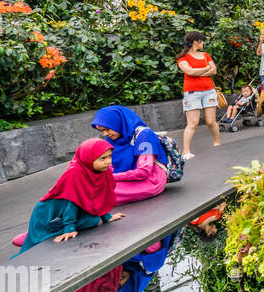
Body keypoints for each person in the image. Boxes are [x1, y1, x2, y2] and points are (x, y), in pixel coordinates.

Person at [12, 139, 125, 255]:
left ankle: (40, 235)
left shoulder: (101, 171)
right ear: (89, 158)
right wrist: (69, 229)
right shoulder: (75, 173)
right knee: (35, 246)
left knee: (92, 220)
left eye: (109, 157)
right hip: (50, 216)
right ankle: (40, 235)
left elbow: (98, 197)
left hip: (75, 212)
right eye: (103, 158)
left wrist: (107, 216)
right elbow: (70, 203)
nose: (108, 162)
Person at [65, 231, 177, 292]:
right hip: (111, 242)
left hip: (78, 242)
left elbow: (71, 268)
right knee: (154, 264)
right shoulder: (110, 289)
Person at [91, 105, 169, 204]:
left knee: (100, 193)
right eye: (101, 131)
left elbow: (144, 172)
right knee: (90, 187)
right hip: (126, 178)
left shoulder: (145, 135)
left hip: (151, 180)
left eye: (107, 129)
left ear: (118, 123)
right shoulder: (112, 139)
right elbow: (110, 166)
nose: (105, 134)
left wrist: (110, 177)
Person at [177, 30, 220, 159]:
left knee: (211, 121)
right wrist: (206, 68)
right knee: (193, 123)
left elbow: (214, 71)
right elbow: (189, 71)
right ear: (196, 41)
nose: (203, 43)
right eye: (202, 40)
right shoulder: (182, 58)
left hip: (209, 91)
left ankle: (217, 143)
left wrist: (198, 72)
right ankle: (186, 151)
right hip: (192, 93)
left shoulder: (205, 55)